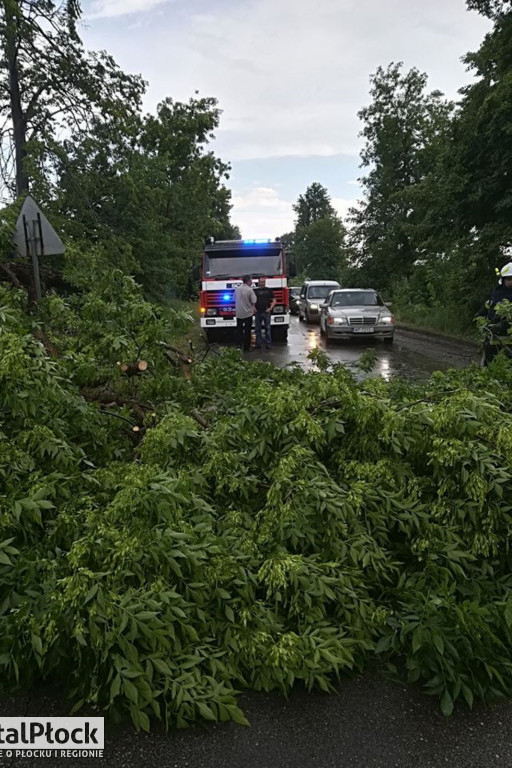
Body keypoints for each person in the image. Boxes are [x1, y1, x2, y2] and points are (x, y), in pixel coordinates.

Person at [477, 259, 512, 365]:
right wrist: (480, 314)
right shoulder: (496, 292)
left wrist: (502, 325)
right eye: (509, 279)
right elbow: (489, 304)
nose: (511, 281)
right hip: (492, 336)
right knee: (489, 364)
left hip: (509, 340)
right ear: (503, 279)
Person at [235, 275, 256, 351]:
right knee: (247, 330)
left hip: (239, 313)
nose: (251, 282)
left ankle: (238, 346)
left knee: (239, 330)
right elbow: (254, 301)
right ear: (248, 281)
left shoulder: (237, 289)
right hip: (248, 313)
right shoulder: (250, 290)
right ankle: (246, 347)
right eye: (251, 281)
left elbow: (234, 298)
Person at [254, 277, 276, 349]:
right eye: (261, 282)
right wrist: (254, 308)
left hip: (266, 312)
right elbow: (252, 301)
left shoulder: (269, 290)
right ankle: (258, 344)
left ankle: (268, 344)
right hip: (258, 312)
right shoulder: (255, 291)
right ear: (259, 282)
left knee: (267, 328)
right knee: (257, 329)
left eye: (264, 282)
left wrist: (270, 308)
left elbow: (274, 300)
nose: (262, 283)